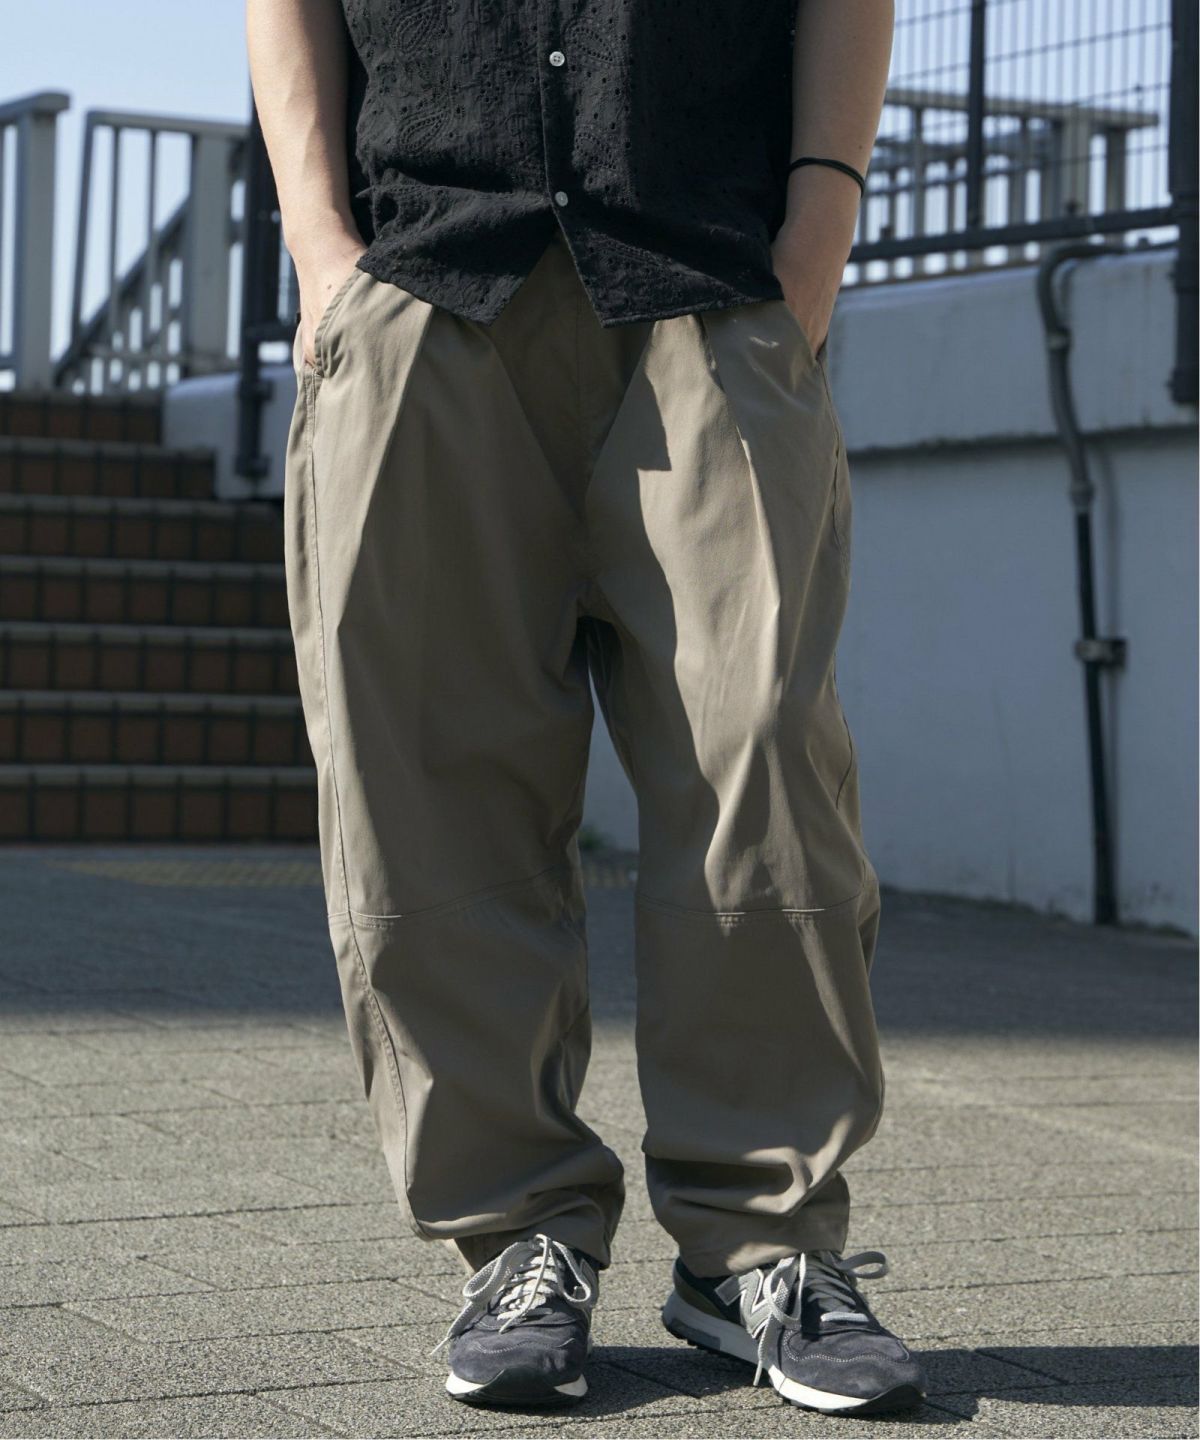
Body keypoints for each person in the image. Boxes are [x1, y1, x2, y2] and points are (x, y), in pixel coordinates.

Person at [247, 0, 926, 1416]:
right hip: (427, 275)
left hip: (707, 271)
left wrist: (820, 226)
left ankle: (763, 1244)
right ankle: (516, 1234)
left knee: (763, 765)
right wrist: (319, 246)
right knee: (424, 789)